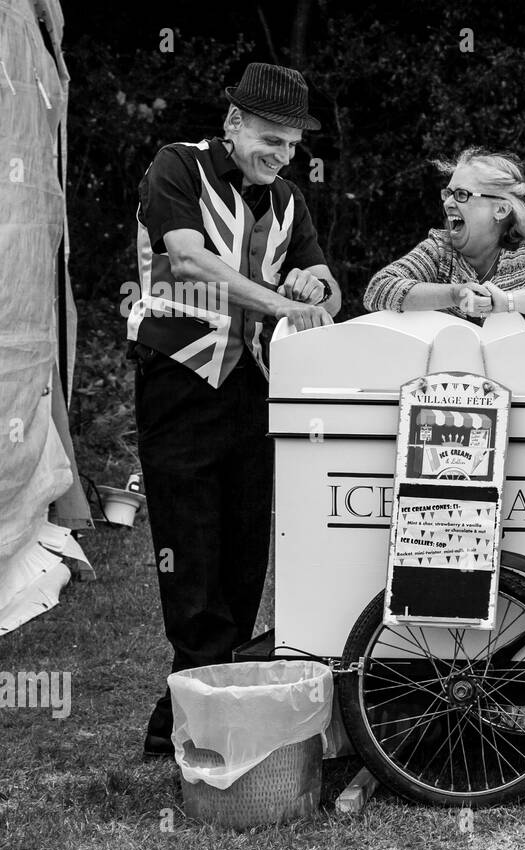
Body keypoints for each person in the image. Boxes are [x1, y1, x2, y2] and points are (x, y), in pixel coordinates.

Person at [127, 62, 342, 760]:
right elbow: (186, 261)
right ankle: (197, 711)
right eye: (270, 140)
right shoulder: (176, 167)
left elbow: (330, 289)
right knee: (190, 549)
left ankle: (184, 710)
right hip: (179, 379)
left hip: (251, 390)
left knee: (246, 553)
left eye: (290, 147)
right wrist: (284, 303)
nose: (280, 156)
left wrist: (317, 282)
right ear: (233, 123)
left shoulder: (287, 201)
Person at [362, 148, 525, 321]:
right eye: (448, 193)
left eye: (462, 195)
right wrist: (455, 294)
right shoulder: (439, 250)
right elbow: (378, 290)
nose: (448, 203)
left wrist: (507, 302)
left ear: (500, 209)